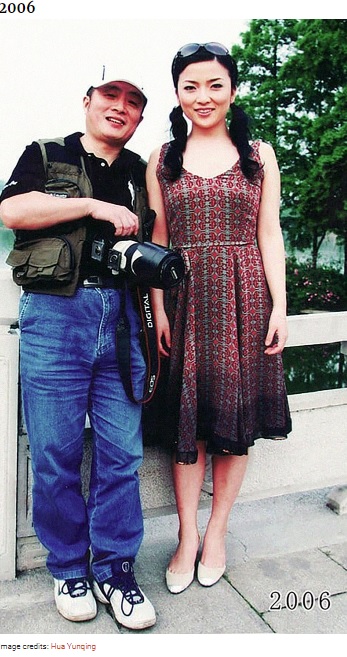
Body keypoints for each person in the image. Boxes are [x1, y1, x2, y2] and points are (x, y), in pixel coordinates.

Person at [0, 67, 156, 630]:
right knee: (55, 454)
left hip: (123, 321)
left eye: (133, 102)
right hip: (56, 318)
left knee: (123, 454)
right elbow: (12, 212)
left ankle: (115, 568)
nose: (120, 107)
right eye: (110, 95)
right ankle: (69, 567)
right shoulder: (45, 153)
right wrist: (93, 208)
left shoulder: (142, 172)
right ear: (88, 101)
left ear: (140, 117)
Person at [146, 42, 292, 594]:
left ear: (232, 90)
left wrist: (280, 305)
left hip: (246, 297)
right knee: (189, 424)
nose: (202, 97)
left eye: (214, 85)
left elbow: (269, 232)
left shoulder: (259, 153)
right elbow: (158, 238)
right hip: (183, 301)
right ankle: (186, 538)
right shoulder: (163, 157)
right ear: (178, 93)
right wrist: (158, 306)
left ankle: (218, 533)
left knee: (232, 428)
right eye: (190, 86)